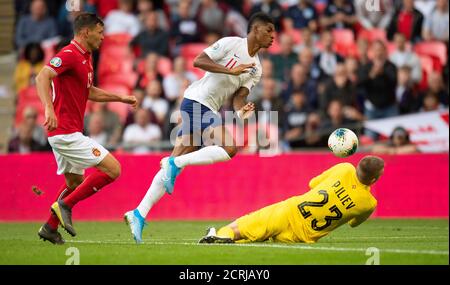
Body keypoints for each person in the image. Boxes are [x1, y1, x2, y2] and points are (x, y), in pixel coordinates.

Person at [124, 12, 275, 243]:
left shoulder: (257, 68)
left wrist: (240, 110)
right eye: (269, 30)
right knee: (229, 147)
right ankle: (174, 163)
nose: (273, 36)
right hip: (196, 100)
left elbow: (238, 96)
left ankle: (138, 213)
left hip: (210, 107)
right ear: (256, 29)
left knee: (170, 170)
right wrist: (230, 70)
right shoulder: (231, 43)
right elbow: (198, 61)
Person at [35, 13, 137, 245]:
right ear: (85, 32)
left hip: (66, 132)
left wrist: (120, 98)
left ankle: (50, 228)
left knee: (74, 183)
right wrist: (48, 110)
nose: (103, 37)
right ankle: (65, 205)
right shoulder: (70, 54)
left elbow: (88, 91)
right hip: (65, 132)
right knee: (113, 169)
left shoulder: (86, 57)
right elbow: (42, 77)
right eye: (100, 33)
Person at [199, 156, 384, 244]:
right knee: (251, 240)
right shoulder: (368, 203)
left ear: (358, 166)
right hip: (301, 238)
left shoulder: (345, 168)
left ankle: (220, 235)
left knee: (241, 227)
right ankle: (226, 240)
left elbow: (312, 183)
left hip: (290, 212)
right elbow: (353, 224)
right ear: (374, 179)